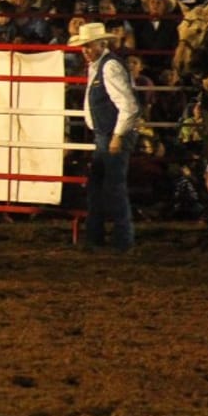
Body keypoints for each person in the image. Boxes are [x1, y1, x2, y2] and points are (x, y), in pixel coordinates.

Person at [74, 21, 140, 252]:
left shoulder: (108, 67)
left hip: (110, 134)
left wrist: (118, 135)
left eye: (89, 46)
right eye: (84, 47)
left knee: (112, 187)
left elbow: (129, 106)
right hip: (106, 133)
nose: (85, 51)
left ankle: (119, 240)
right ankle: (102, 238)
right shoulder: (102, 66)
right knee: (104, 186)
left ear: (101, 44)